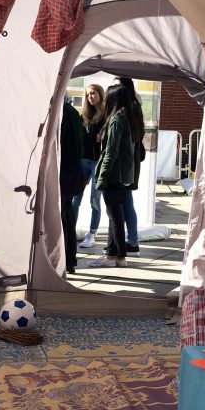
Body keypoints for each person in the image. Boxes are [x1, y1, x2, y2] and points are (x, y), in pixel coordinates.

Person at [87, 84, 136, 268]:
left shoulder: (116, 120)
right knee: (115, 215)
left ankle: (119, 256)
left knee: (114, 216)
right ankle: (111, 254)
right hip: (123, 176)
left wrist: (102, 177)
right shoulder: (127, 117)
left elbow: (111, 152)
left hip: (114, 176)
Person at [111, 76, 146, 255]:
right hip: (129, 161)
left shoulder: (130, 108)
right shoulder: (130, 108)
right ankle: (129, 240)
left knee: (125, 202)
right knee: (126, 201)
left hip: (127, 162)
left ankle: (131, 240)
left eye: (117, 86)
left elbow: (137, 134)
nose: (113, 89)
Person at [74, 84, 105, 249]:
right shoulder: (83, 116)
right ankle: (69, 230)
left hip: (98, 162)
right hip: (82, 161)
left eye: (93, 94)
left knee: (95, 200)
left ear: (100, 94)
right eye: (87, 95)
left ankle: (91, 234)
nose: (90, 97)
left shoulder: (105, 116)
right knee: (75, 199)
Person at [59, 98, 86, 274]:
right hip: (72, 171)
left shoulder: (62, 113)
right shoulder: (72, 112)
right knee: (67, 217)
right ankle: (69, 261)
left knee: (62, 217)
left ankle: (64, 260)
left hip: (63, 171)